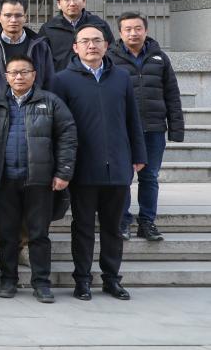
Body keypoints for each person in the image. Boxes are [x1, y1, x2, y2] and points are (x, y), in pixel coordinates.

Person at [53, 24, 146, 301]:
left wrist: (139, 155)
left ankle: (111, 279)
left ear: (106, 45)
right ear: (75, 47)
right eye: (85, 41)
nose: (91, 45)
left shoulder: (121, 77)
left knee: (113, 228)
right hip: (83, 167)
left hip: (117, 165)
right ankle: (82, 280)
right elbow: (58, 127)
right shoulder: (62, 80)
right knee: (82, 228)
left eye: (97, 40)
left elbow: (132, 119)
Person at [0, 0, 55, 267]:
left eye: (18, 15)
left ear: (25, 17)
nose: (13, 20)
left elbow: (50, 82)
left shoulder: (39, 46)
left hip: (34, 121)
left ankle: (26, 245)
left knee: (31, 188)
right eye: (8, 15)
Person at [0, 54, 77, 303]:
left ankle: (41, 283)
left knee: (38, 235)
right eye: (13, 72)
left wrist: (63, 172)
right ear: (6, 77)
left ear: (34, 75)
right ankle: (8, 280)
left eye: (24, 72)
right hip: (5, 179)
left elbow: (67, 136)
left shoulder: (50, 102)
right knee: (7, 235)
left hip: (39, 180)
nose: (19, 77)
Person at [109, 12, 184, 241]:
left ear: (146, 30)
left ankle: (147, 222)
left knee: (149, 177)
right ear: (120, 33)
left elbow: (172, 94)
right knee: (122, 177)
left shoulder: (159, 57)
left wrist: (176, 128)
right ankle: (122, 221)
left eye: (138, 28)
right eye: (128, 29)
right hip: (122, 130)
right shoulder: (110, 58)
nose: (133, 33)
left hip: (153, 128)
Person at [40, 0, 116, 71]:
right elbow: (42, 57)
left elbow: (111, 50)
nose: (72, 3)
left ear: (84, 1)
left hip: (94, 75)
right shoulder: (48, 28)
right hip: (61, 76)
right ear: (59, 4)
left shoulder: (99, 25)